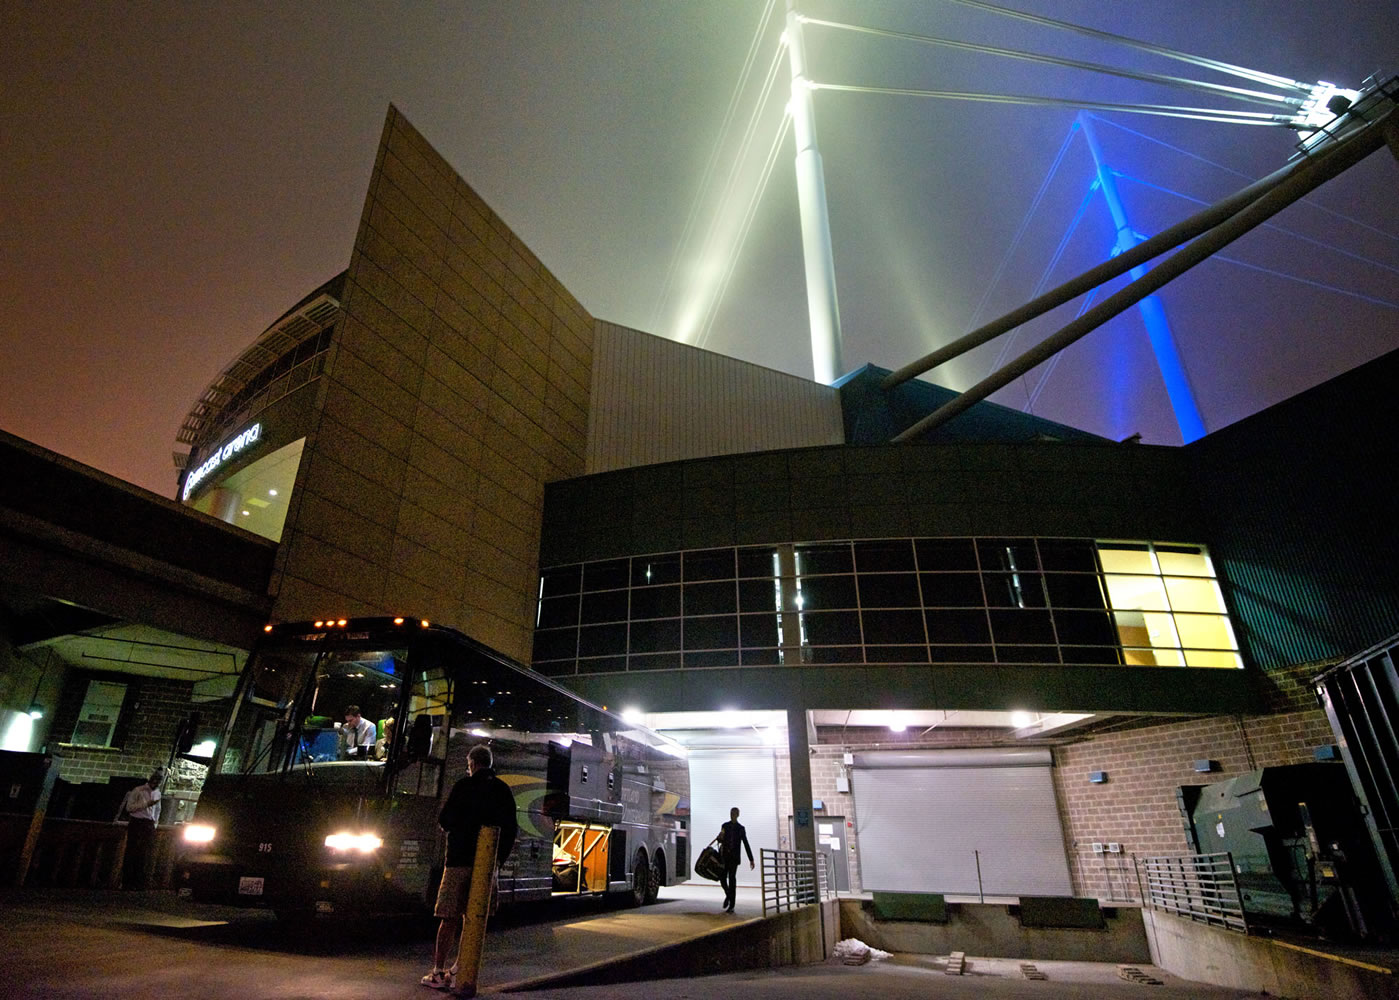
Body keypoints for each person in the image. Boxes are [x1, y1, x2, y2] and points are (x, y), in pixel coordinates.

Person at [422, 744, 518, 992]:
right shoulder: (502, 790)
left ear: (473, 763)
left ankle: (438, 971)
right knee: (472, 918)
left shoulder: (463, 786)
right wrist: (497, 860)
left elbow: (445, 820)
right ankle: (459, 968)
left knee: (448, 918)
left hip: (458, 862)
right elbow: (511, 830)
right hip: (485, 866)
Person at [116, 766, 164, 889]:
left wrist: (155, 823)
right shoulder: (138, 790)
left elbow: (158, 809)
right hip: (137, 822)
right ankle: (127, 881)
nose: (155, 784)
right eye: (154, 781)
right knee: (132, 851)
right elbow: (129, 808)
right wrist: (146, 804)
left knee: (146, 853)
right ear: (150, 781)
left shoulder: (157, 793)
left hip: (148, 823)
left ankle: (140, 882)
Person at [714, 806, 754, 913]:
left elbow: (746, 843)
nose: (732, 815)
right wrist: (719, 837)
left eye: (734, 813)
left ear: (737, 815)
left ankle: (732, 904)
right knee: (722, 878)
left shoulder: (741, 829)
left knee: (732, 878)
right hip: (725, 856)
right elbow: (721, 837)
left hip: (734, 858)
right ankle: (728, 895)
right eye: (731, 813)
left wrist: (751, 859)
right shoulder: (725, 826)